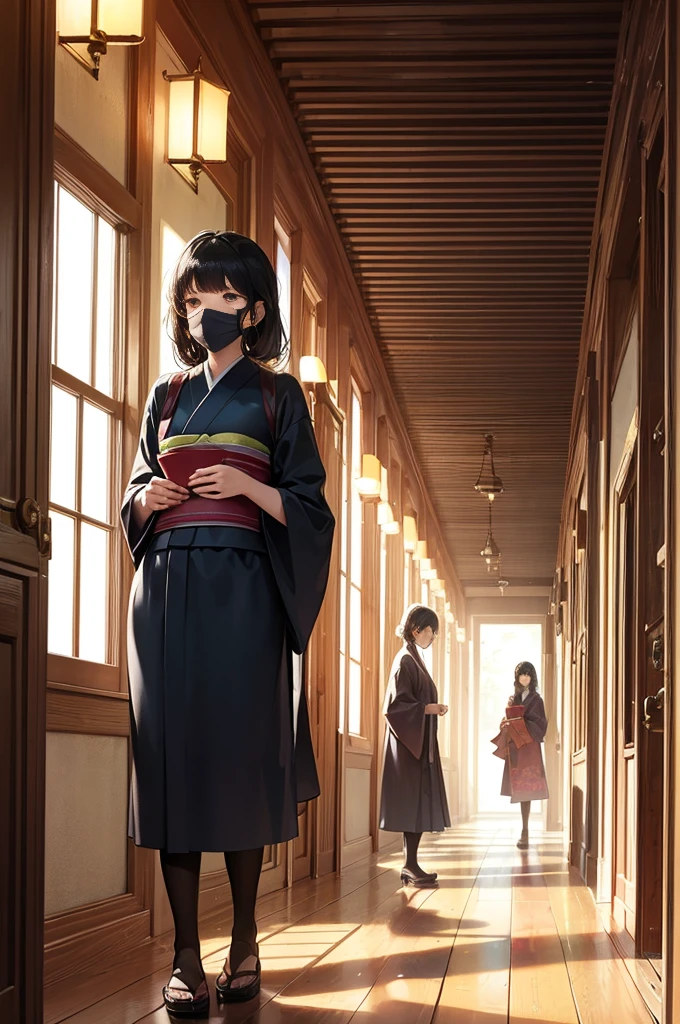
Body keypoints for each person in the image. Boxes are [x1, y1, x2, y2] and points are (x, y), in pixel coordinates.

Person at [121, 230, 334, 1015]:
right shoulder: (165, 396)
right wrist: (146, 499)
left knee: (239, 764)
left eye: (222, 298)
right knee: (171, 762)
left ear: (252, 310)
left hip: (245, 591)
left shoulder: (280, 397)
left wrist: (247, 485)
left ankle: (244, 940)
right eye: (193, 297)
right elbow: (136, 489)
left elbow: (310, 507)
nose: (204, 310)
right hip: (167, 593)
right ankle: (185, 953)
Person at [379, 604, 451, 887]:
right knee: (412, 803)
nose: (433, 636)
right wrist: (428, 709)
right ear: (415, 629)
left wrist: (428, 709)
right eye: (431, 630)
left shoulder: (413, 658)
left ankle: (411, 864)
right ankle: (409, 865)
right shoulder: (405, 661)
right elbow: (396, 707)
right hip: (409, 746)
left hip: (417, 743)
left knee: (416, 804)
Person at [491, 660, 549, 849]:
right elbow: (507, 719)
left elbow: (541, 724)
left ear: (532, 677)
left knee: (528, 790)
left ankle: (525, 831)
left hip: (530, 748)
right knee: (519, 790)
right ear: (517, 678)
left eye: (527, 674)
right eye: (521, 675)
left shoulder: (537, 700)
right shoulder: (512, 699)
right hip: (516, 747)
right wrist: (507, 724)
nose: (524, 678)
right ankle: (524, 830)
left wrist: (521, 723)